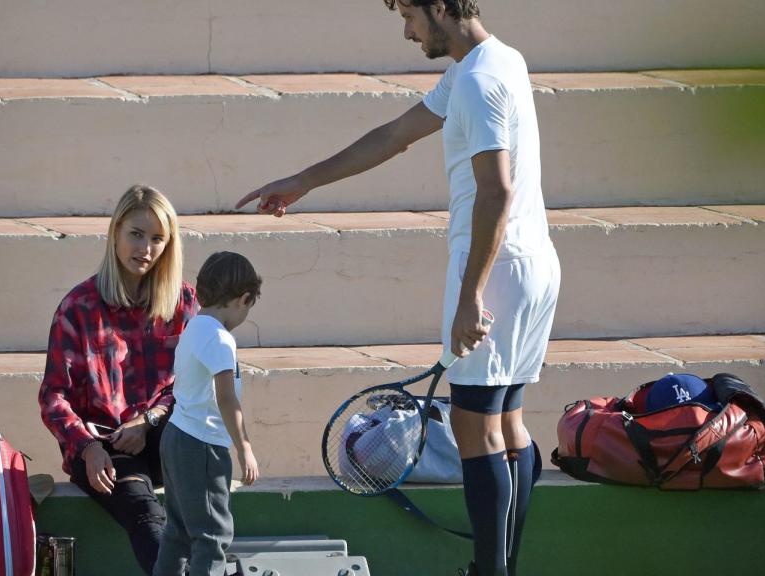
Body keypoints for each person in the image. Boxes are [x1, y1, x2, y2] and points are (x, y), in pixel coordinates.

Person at [235, 1, 560, 574]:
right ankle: (502, 565)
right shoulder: (491, 62)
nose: (407, 31)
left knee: (473, 425)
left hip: (494, 268)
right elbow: (394, 135)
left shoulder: (481, 78)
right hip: (532, 266)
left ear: (440, 6)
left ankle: (491, 570)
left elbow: (496, 192)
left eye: (410, 15)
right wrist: (301, 182)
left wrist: (469, 296)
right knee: (508, 422)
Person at [38, 184, 198, 575]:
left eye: (158, 239)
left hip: (162, 434)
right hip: (103, 448)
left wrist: (149, 421)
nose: (145, 248)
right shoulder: (79, 308)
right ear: (116, 233)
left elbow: (193, 387)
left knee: (204, 484)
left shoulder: (183, 303)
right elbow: (53, 397)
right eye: (136, 234)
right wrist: (88, 447)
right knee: (145, 513)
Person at [153, 251, 262, 576]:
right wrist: (244, 447)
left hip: (176, 438)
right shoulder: (219, 339)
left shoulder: (194, 328)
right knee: (212, 534)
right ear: (243, 299)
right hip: (201, 447)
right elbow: (226, 398)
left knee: (179, 531)